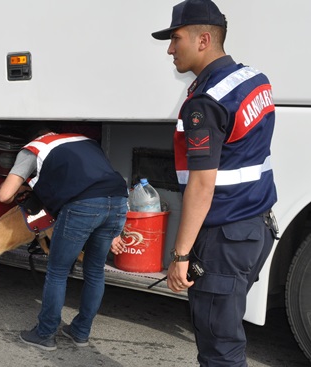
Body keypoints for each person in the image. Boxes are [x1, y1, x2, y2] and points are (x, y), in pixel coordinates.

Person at [152, 1, 278, 365]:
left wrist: (180, 256)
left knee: (219, 347)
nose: (170, 49)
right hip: (256, 229)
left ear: (203, 39)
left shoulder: (205, 102)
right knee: (226, 331)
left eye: (176, 39)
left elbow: (202, 185)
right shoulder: (254, 79)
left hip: (222, 239)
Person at [0, 125, 128, 351]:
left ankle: (45, 334)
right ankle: (80, 332)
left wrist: (16, 186)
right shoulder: (83, 140)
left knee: (57, 271)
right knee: (95, 271)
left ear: (34, 138)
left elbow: (4, 195)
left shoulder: (33, 149)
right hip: (118, 201)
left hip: (83, 206)